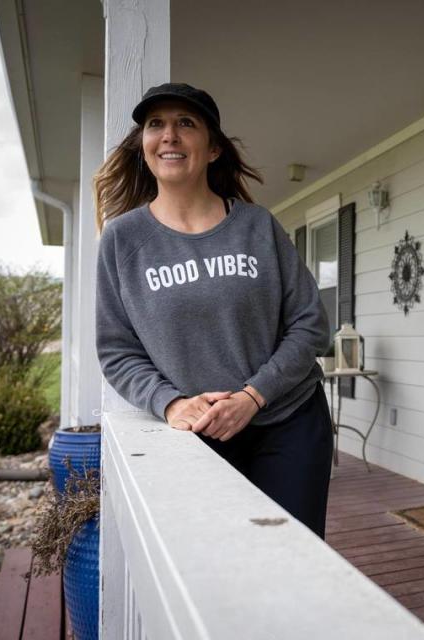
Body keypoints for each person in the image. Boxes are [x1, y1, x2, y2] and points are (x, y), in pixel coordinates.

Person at [93, 82, 334, 539]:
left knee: (292, 560)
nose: (169, 135)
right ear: (143, 144)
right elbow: (117, 352)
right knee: (218, 567)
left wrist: (252, 396)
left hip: (289, 424)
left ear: (214, 149)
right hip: (197, 434)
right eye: (155, 125)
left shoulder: (256, 225)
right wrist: (171, 404)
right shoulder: (123, 241)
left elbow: (310, 324)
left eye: (186, 123)